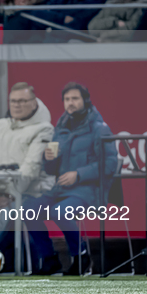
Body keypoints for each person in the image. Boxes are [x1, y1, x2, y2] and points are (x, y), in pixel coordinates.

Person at [23, 82, 118, 275]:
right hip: (61, 190)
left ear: (85, 101)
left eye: (75, 98)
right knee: (28, 209)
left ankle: (81, 257)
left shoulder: (99, 128)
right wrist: (48, 159)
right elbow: (51, 170)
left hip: (89, 192)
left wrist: (79, 174)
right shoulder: (61, 128)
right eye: (67, 99)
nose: (70, 103)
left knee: (60, 212)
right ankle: (50, 259)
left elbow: (109, 165)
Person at [0, 82, 55, 249]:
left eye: (22, 101)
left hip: (28, 191)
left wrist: (11, 196)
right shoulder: (0, 125)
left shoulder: (44, 129)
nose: (17, 105)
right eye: (14, 101)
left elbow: (30, 169)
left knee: (7, 210)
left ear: (34, 102)